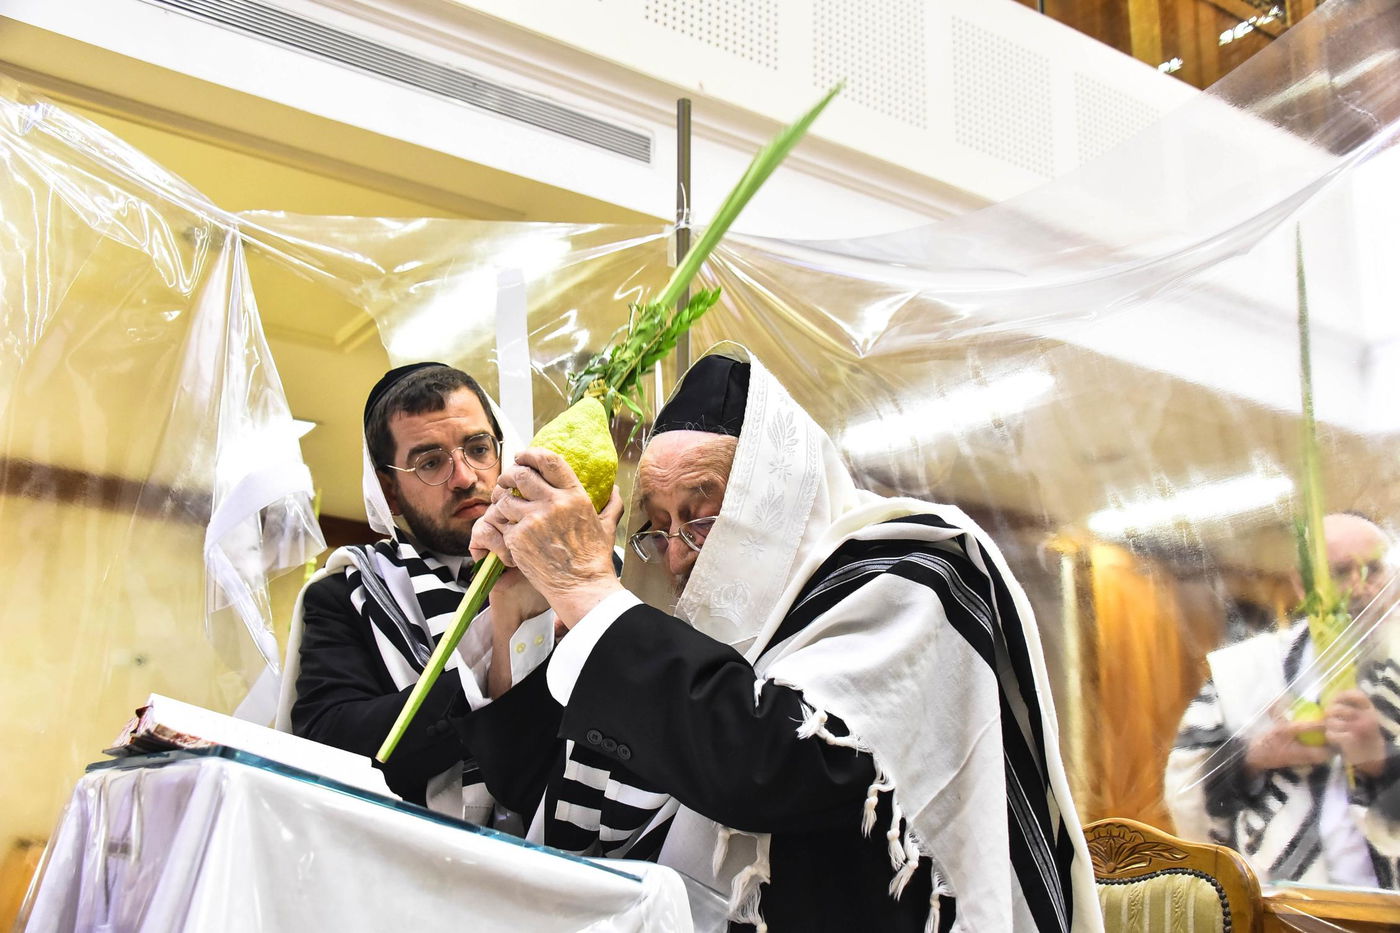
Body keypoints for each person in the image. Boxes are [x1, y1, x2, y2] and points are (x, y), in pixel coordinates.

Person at [460, 346, 1101, 933]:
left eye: (702, 513)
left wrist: (588, 590)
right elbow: (542, 796)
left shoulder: (908, 570)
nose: (678, 554)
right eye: (659, 527)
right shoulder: (695, 642)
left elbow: (782, 760)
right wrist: (519, 612)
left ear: (779, 495)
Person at [277, 362, 616, 821]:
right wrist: (496, 636)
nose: (464, 476)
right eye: (431, 462)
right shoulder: (349, 592)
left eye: (478, 449)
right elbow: (330, 742)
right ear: (390, 492)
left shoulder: (580, 575)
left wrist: (582, 587)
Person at [1166, 513, 1400, 887]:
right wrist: (1255, 758)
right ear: (1302, 585)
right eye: (1340, 573)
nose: (1361, 587)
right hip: (1275, 909)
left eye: (1373, 569)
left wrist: (1379, 761)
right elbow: (1187, 791)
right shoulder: (1248, 670)